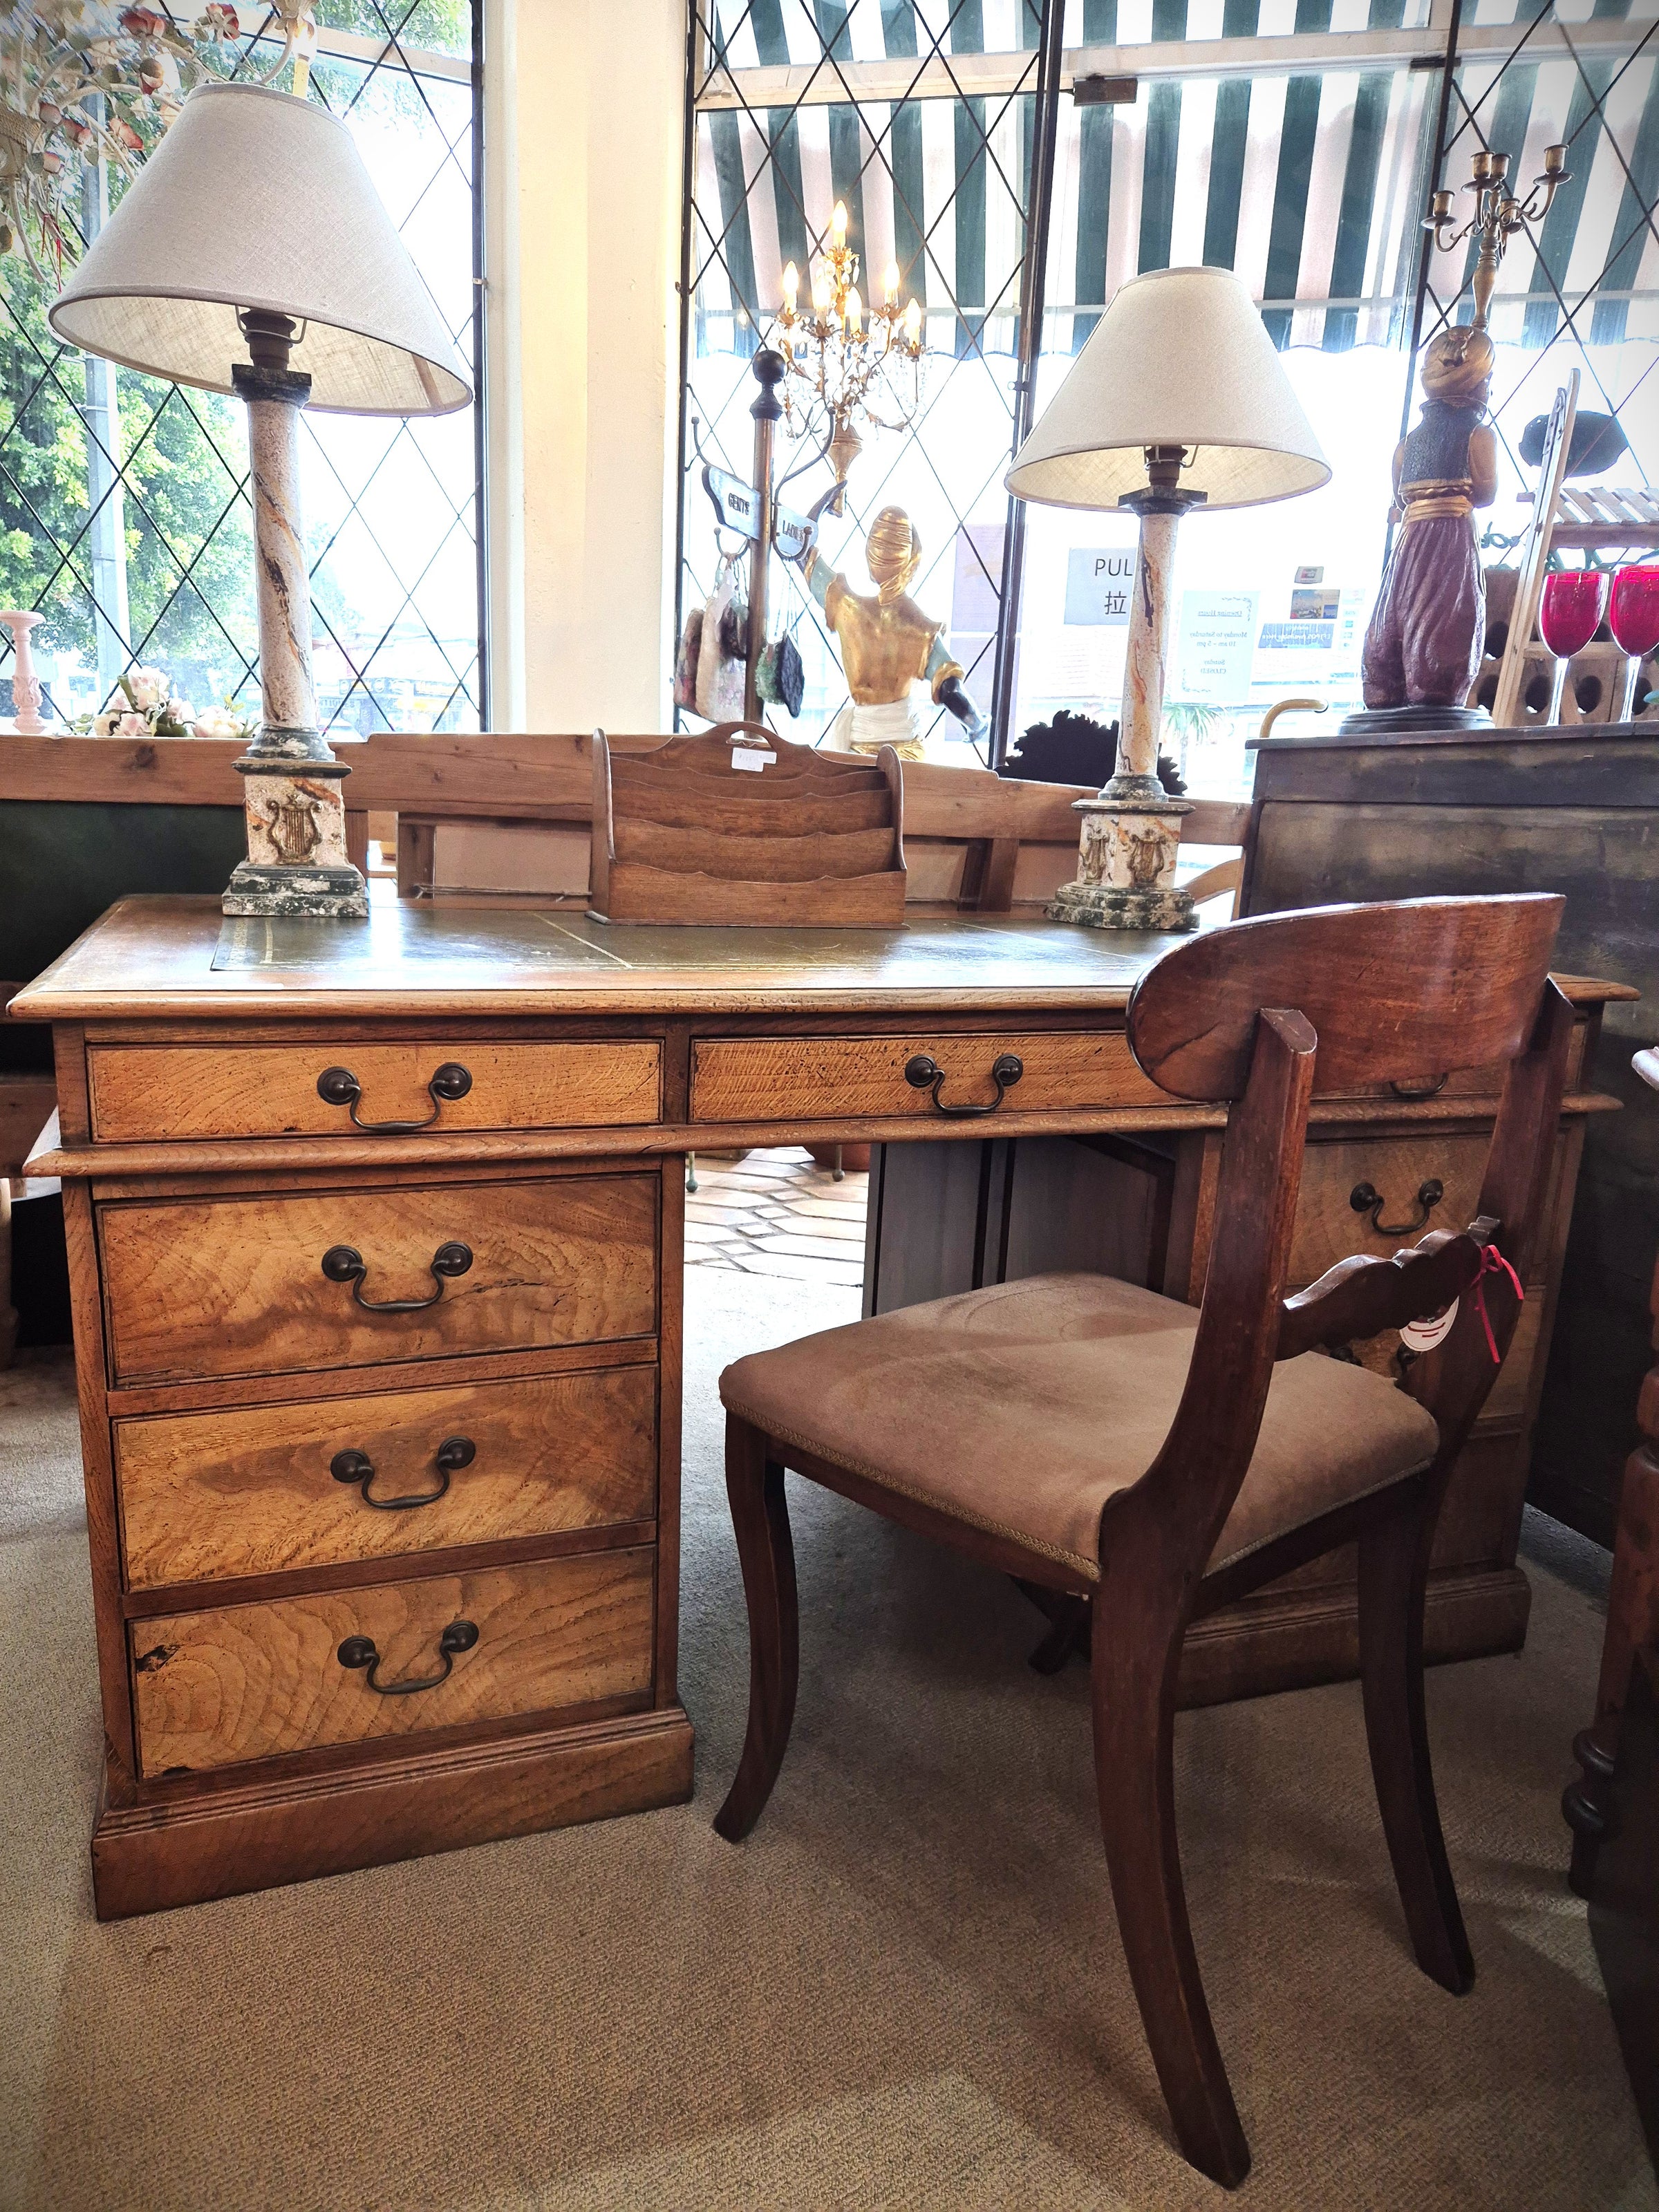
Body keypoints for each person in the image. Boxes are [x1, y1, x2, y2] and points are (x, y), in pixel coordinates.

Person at [1360, 325, 1499, 713]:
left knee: (1392, 626)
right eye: (1487, 381)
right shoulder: (1479, 436)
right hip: (1450, 544)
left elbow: (1398, 499)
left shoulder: (1407, 444)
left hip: (1408, 549)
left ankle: (1385, 687)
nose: (1489, 390)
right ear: (1473, 387)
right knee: (1444, 633)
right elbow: (1486, 494)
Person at [804, 505, 986, 758]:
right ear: (912, 560)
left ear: (870, 556)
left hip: (857, 753)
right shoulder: (922, 632)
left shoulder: (847, 608)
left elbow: (806, 558)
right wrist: (978, 725)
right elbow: (951, 691)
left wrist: (813, 519)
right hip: (905, 758)